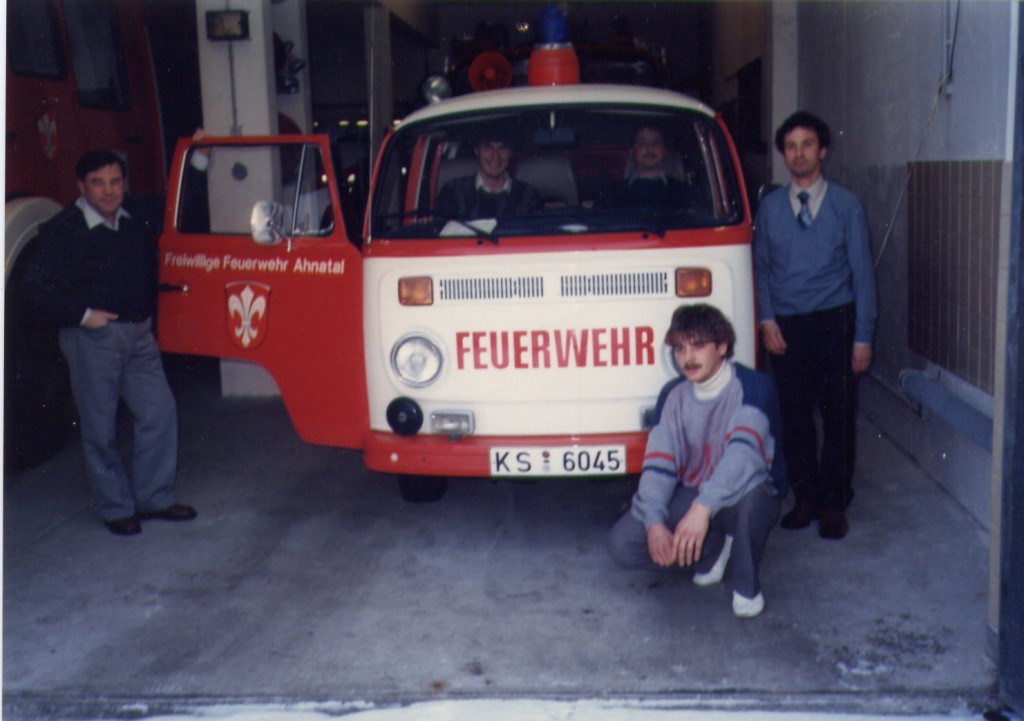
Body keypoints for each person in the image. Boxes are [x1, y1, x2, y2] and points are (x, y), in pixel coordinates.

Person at [24, 148, 199, 536]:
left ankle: (155, 499)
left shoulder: (133, 215)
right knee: (100, 428)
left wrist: (197, 158)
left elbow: (172, 201)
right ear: (81, 187)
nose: (108, 191)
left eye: (115, 181)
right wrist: (85, 316)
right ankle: (116, 507)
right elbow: (34, 286)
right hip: (93, 338)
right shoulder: (64, 229)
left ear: (124, 184)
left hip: (139, 336)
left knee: (159, 412)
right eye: (97, 183)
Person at [608, 304, 787, 619]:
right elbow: (659, 464)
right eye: (680, 348)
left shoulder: (754, 387)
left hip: (749, 489)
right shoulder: (673, 395)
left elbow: (742, 456)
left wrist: (701, 510)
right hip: (696, 492)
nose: (687, 357)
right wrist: (654, 523)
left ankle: (747, 584)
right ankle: (713, 545)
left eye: (698, 345)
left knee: (752, 502)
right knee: (623, 545)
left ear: (722, 347)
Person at [753, 111, 877, 540]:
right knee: (794, 416)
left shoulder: (845, 206)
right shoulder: (769, 208)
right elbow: (762, 270)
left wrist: (862, 336)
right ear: (784, 154)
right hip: (786, 327)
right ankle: (804, 497)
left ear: (822, 150)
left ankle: (833, 503)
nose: (799, 154)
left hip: (835, 322)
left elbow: (863, 275)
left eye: (807, 144)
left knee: (838, 414)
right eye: (791, 146)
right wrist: (766, 319)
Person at [434, 133, 540, 219]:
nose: (495, 156)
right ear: (477, 150)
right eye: (488, 147)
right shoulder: (452, 192)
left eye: (502, 148)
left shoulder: (528, 196)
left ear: (511, 152)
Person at [602, 125, 700, 212]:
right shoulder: (614, 193)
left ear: (665, 151)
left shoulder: (684, 193)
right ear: (632, 152)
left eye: (656, 143)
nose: (650, 148)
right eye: (642, 143)